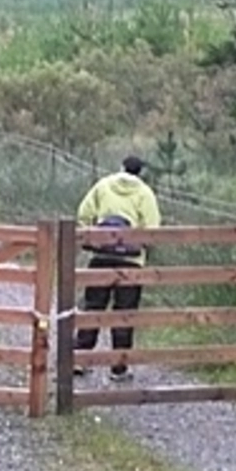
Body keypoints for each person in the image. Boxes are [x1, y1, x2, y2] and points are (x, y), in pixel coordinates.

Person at [74, 155, 161, 381]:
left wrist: (91, 237)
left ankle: (80, 359)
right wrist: (142, 246)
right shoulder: (145, 193)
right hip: (131, 262)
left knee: (93, 308)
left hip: (101, 257)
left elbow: (83, 213)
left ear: (121, 167)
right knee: (124, 313)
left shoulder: (103, 186)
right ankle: (119, 368)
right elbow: (152, 228)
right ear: (140, 172)